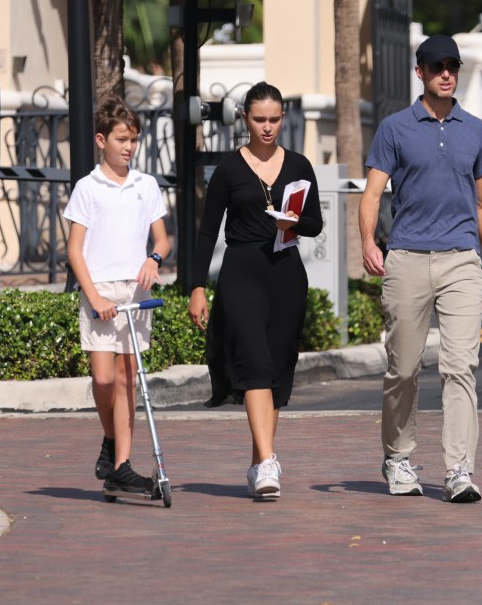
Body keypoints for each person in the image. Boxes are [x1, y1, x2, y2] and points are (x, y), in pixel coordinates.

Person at [359, 34, 482, 503]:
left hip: (462, 259)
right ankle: (397, 458)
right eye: (436, 66)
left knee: (461, 368)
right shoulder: (395, 128)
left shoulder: (476, 129)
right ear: (419, 72)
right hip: (408, 257)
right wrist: (367, 242)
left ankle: (459, 468)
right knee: (404, 369)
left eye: (452, 66)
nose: (445, 73)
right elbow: (373, 193)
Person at [188, 81, 323, 499]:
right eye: (259, 119)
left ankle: (258, 463)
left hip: (286, 273)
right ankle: (268, 463)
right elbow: (208, 230)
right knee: (255, 364)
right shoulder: (229, 169)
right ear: (245, 118)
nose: (267, 127)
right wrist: (196, 287)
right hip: (241, 272)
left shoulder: (300, 165)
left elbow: (315, 223)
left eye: (275, 119)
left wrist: (293, 224)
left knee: (278, 368)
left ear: (284, 118)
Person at [64, 96, 169, 496]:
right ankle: (111, 439)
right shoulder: (88, 188)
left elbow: (162, 238)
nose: (129, 147)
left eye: (134, 140)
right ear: (101, 140)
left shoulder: (146, 186)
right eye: (122, 139)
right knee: (103, 378)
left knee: (128, 378)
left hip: (135, 290)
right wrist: (93, 297)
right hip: (100, 292)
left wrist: (154, 259)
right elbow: (75, 249)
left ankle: (122, 465)